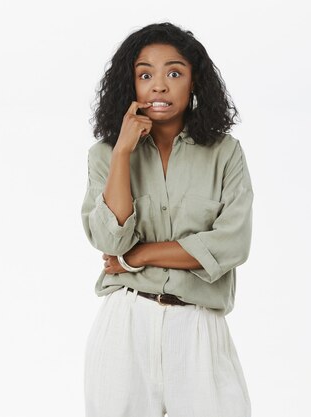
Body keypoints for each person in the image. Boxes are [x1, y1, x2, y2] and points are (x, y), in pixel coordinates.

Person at [80, 22, 254, 417]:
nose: (159, 86)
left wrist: (138, 257)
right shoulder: (105, 155)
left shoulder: (225, 154)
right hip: (126, 326)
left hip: (198, 327)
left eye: (174, 73)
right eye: (145, 75)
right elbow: (111, 241)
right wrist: (123, 152)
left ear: (194, 83)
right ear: (132, 85)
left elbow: (232, 243)